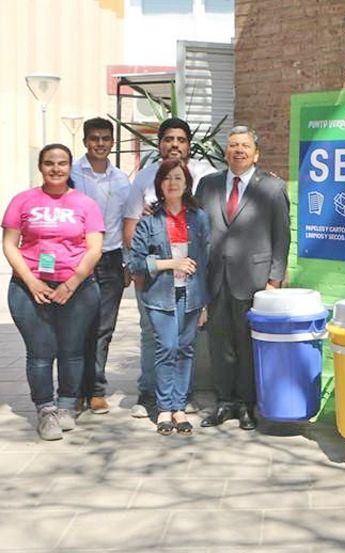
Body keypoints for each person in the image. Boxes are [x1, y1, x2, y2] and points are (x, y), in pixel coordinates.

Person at [2, 144, 103, 440]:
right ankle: (45, 409)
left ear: (70, 167)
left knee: (72, 351)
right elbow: (10, 244)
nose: (56, 168)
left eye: (61, 163)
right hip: (29, 288)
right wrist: (32, 282)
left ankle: (67, 406)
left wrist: (71, 283)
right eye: (49, 163)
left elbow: (94, 247)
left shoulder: (85, 204)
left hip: (78, 288)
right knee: (40, 352)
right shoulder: (23, 200)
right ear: (40, 166)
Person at [197, 126, 290, 431]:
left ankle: (248, 404)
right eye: (233, 145)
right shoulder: (208, 185)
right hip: (215, 279)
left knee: (248, 346)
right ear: (226, 151)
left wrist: (274, 280)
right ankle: (224, 401)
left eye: (245, 146)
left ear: (256, 153)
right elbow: (197, 231)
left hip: (255, 280)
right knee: (219, 343)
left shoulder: (272, 188)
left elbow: (282, 238)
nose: (238, 150)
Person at [123, 118, 214, 419]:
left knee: (184, 343)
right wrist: (141, 272)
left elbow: (208, 235)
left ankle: (179, 399)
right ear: (159, 143)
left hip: (189, 284)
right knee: (154, 337)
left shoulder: (205, 174)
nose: (175, 144)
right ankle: (150, 393)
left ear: (189, 144)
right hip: (155, 280)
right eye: (168, 139)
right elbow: (132, 225)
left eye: (181, 139)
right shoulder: (144, 177)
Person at [70, 117, 132, 415]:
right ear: (85, 142)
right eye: (94, 138)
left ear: (112, 143)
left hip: (110, 260)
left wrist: (128, 262)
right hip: (76, 260)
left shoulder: (121, 179)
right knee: (76, 327)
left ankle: (95, 390)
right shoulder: (71, 174)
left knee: (103, 329)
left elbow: (127, 223)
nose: (100, 144)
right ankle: (73, 390)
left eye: (106, 139)